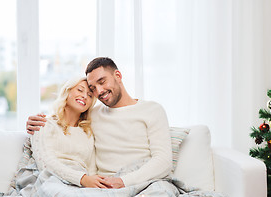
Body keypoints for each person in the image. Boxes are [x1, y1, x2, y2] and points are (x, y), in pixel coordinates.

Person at [27, 57, 172, 189]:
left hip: (143, 181)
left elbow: (164, 161)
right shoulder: (92, 114)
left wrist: (123, 182)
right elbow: (66, 123)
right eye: (93, 88)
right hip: (105, 185)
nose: (99, 91)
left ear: (118, 76)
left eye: (102, 82)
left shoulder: (152, 110)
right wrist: (35, 122)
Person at [30, 77, 110, 188]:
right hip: (50, 180)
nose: (84, 96)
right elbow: (45, 163)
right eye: (80, 90)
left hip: (81, 185)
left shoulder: (87, 133)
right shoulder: (44, 124)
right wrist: (81, 179)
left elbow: (91, 169)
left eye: (90, 95)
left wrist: (93, 184)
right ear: (67, 92)